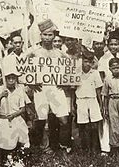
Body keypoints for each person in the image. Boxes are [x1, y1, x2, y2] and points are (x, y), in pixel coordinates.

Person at [31, 19, 71, 154]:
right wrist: (30, 82)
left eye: (50, 35)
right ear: (40, 36)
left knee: (64, 120)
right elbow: (22, 68)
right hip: (41, 89)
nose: (47, 38)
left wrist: (64, 81)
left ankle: (62, 144)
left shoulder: (60, 53)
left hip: (56, 88)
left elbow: (71, 69)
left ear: (54, 36)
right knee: (42, 119)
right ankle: (45, 146)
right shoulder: (34, 52)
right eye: (45, 35)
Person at [0, 64, 30, 165]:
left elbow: (23, 109)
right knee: (7, 144)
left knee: (24, 139)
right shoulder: (0, 89)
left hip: (16, 118)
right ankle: (9, 161)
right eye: (9, 78)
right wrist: (1, 95)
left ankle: (21, 160)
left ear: (16, 79)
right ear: (5, 79)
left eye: (13, 78)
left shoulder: (19, 90)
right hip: (4, 120)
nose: (11, 80)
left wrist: (14, 115)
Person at [75, 50, 103, 153]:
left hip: (93, 100)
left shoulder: (95, 73)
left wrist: (100, 104)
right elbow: (74, 90)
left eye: (89, 62)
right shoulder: (77, 73)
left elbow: (98, 90)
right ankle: (84, 148)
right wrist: (73, 105)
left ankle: (94, 148)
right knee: (82, 125)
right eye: (85, 61)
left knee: (94, 125)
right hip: (81, 100)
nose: (87, 64)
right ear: (81, 61)